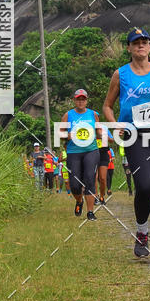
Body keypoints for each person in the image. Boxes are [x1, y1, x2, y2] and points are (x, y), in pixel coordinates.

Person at [103, 28, 150, 263]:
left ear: (149, 47)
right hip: (135, 135)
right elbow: (107, 106)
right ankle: (142, 232)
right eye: (136, 43)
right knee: (145, 186)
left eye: (144, 42)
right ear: (129, 48)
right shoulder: (120, 74)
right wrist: (115, 125)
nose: (141, 46)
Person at [61, 88, 103, 221]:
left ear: (86, 100)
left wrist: (106, 135)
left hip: (91, 150)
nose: (80, 101)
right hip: (74, 152)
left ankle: (90, 212)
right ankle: (79, 201)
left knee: (90, 179)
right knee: (74, 184)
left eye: (83, 99)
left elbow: (99, 131)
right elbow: (59, 133)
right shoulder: (68, 115)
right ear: (74, 100)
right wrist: (67, 135)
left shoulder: (93, 114)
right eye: (78, 99)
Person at [97, 130, 116, 205]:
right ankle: (95, 196)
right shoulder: (89, 126)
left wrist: (102, 136)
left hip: (103, 154)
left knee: (103, 178)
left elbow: (112, 140)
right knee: (94, 177)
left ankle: (102, 196)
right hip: (92, 153)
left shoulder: (104, 129)